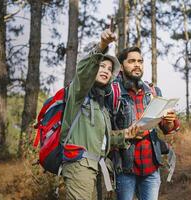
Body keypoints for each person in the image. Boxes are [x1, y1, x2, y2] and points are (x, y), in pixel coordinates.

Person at [60, 29, 140, 200]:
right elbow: (84, 72)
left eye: (110, 69)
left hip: (97, 168)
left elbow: (102, 140)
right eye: (102, 66)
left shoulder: (101, 105)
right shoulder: (78, 93)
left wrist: (125, 134)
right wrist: (102, 45)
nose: (106, 70)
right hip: (79, 167)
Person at [106, 46, 181, 200]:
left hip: (151, 168)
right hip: (125, 169)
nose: (137, 64)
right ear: (121, 66)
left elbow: (167, 129)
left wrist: (169, 121)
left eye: (140, 61)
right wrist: (126, 134)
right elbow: (103, 134)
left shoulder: (153, 91)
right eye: (132, 61)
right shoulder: (113, 93)